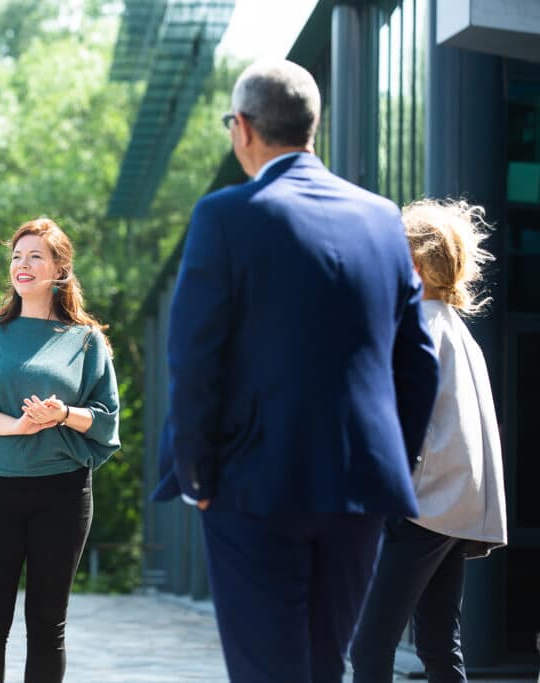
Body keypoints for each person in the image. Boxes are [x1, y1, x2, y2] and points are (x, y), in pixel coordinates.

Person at [151, 59, 440, 683]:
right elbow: (418, 365)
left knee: (269, 671)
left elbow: (194, 357)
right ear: (313, 128)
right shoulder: (382, 219)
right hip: (358, 487)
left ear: (245, 128)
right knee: (322, 666)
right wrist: (390, 464)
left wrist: (196, 472)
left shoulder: (226, 215)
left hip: (252, 485)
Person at [0, 218, 120, 683]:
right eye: (17, 256)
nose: (23, 264)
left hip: (63, 493)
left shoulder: (86, 340)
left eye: (36, 255)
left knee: (47, 626)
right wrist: (15, 427)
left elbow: (105, 419)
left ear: (60, 269)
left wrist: (62, 414)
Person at [350, 199, 508, 682]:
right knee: (440, 645)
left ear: (413, 267)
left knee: (369, 646)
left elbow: (396, 420)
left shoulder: (413, 328)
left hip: (419, 506)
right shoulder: (460, 333)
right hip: (453, 509)